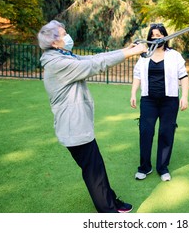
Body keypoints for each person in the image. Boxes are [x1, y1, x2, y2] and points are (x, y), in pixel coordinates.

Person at [37, 20, 146, 213]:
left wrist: (124, 49)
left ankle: (111, 201)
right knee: (93, 171)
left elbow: (94, 58)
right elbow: (97, 65)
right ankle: (108, 211)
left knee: (95, 167)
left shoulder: (60, 56)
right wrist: (131, 53)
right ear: (54, 42)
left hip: (78, 126)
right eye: (64, 34)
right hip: (73, 128)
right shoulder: (58, 64)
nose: (67, 36)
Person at [130, 23, 189, 182]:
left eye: (160, 35)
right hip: (149, 100)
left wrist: (184, 96)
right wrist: (133, 93)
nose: (156, 38)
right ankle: (145, 167)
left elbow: (183, 76)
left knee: (166, 132)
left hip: (169, 100)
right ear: (149, 38)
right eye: (153, 35)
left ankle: (162, 167)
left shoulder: (174, 55)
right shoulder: (144, 56)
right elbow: (137, 75)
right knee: (146, 131)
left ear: (165, 36)